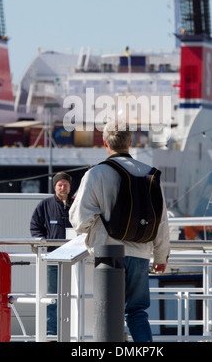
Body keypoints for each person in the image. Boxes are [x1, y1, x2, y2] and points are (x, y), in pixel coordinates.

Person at [69, 120, 170, 342]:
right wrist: (161, 256)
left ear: (105, 143)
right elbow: (161, 221)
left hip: (108, 253)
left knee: (107, 311)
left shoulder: (96, 173)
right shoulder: (150, 174)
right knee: (137, 312)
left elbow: (78, 220)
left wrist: (94, 226)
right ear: (130, 142)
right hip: (141, 253)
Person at [30, 171, 73, 336]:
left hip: (75, 260)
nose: (63, 187)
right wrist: (43, 245)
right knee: (52, 297)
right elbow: (35, 226)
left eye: (65, 184)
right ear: (55, 186)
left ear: (70, 187)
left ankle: (72, 331)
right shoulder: (45, 205)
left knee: (75, 295)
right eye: (60, 185)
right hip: (53, 258)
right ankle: (51, 333)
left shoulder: (77, 205)